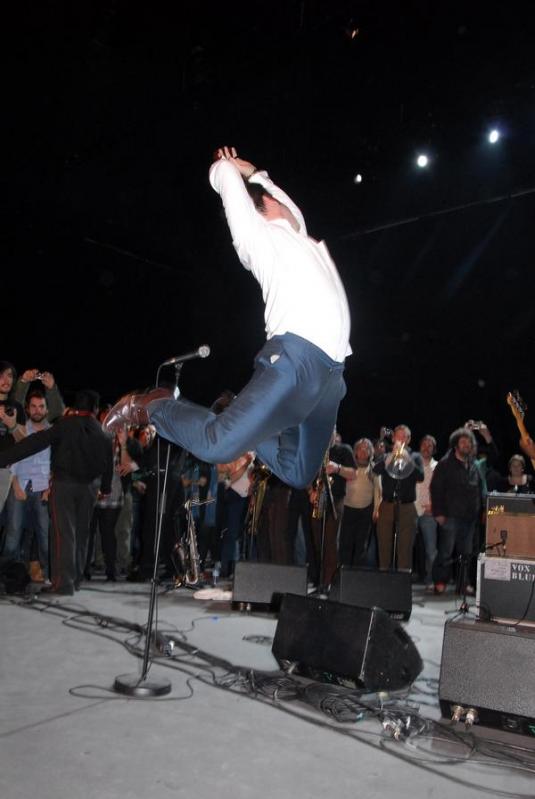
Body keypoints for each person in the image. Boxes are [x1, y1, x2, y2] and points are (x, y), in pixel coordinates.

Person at [103, 146, 351, 491]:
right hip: (297, 358)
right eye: (274, 197)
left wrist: (255, 172)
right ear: (263, 206)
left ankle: (234, 413)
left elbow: (291, 208)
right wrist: (226, 167)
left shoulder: (298, 236)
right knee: (218, 445)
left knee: (297, 473)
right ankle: (152, 405)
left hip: (331, 376)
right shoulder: (257, 238)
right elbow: (226, 180)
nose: (289, 206)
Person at [0, 390, 113, 595]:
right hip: (89, 488)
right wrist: (105, 488)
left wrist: (4, 458)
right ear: (96, 409)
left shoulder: (65, 424)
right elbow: (108, 464)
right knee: (82, 533)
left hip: (64, 485)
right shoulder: (102, 431)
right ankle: (76, 580)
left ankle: (63, 584)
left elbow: (35, 443)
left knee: (63, 534)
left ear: (76, 407)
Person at [3, 392, 52, 581]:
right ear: (27, 408)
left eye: (41, 406)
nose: (37, 410)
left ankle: (49, 576)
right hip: (20, 486)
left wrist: (50, 487)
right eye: (33, 406)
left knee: (45, 536)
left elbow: (57, 462)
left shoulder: (53, 432)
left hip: (43, 490)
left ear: (47, 409)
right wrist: (15, 485)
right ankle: (7, 577)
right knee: (13, 534)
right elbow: (12, 458)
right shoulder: (20, 430)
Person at [430, 427, 484, 595]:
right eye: (463, 442)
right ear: (455, 445)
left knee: (466, 554)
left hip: (470, 517)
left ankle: (462, 584)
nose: (466, 444)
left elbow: (478, 488)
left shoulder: (473, 465)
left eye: (469, 442)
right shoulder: (445, 464)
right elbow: (436, 489)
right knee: (445, 551)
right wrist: (438, 513)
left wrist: (480, 510)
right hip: (450, 515)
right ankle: (440, 581)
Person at [373, 425, 424, 570]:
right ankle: (383, 576)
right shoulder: (386, 455)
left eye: (404, 437)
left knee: (405, 548)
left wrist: (407, 458)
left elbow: (420, 476)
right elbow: (376, 470)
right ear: (393, 438)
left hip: (407, 506)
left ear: (408, 440)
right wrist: (391, 457)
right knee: (384, 545)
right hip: (387, 505)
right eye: (398, 436)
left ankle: (403, 578)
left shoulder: (415, 456)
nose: (400, 440)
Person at [338, 438, 382, 569]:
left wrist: (376, 509)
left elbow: (378, 490)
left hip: (365, 512)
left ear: (370, 452)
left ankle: (357, 575)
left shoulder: (374, 468)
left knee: (361, 545)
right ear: (355, 451)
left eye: (366, 448)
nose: (363, 451)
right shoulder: (348, 465)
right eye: (360, 448)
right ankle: (343, 573)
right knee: (345, 543)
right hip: (347, 509)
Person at [0, 361, 26, 516]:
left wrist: (13, 425)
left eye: (9, 376)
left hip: (4, 470)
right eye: (1, 375)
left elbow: (23, 441)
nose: (6, 380)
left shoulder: (17, 407)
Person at [414, 434, 439, 592]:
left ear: (434, 449)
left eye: (430, 445)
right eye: (424, 444)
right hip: (411, 509)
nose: (426, 447)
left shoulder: (438, 466)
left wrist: (434, 506)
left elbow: (442, 490)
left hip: (429, 511)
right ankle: (402, 579)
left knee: (431, 551)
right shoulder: (413, 462)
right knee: (405, 548)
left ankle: (431, 580)